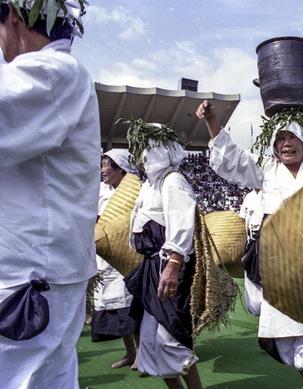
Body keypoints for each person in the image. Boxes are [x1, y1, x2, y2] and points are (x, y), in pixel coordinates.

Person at [196, 99, 303, 389]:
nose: (286, 143)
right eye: (281, 138)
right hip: (275, 263)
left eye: (293, 137)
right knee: (288, 337)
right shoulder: (265, 171)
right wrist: (212, 122)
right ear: (273, 144)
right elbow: (231, 159)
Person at [0, 1, 99, 388]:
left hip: (29, 278)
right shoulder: (56, 74)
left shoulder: (54, 71)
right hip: (37, 273)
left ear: (14, 18)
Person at [123, 121, 203, 389]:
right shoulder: (149, 185)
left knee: (172, 338)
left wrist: (173, 264)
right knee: (151, 341)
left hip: (168, 269)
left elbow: (182, 224)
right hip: (151, 269)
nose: (141, 157)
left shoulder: (172, 181)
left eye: (145, 150)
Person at [92, 149, 139, 369]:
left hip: (128, 258)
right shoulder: (100, 192)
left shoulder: (134, 192)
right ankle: (130, 353)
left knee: (132, 306)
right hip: (106, 258)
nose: (102, 170)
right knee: (116, 308)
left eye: (106, 166)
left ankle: (142, 354)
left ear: (120, 169)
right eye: (101, 165)